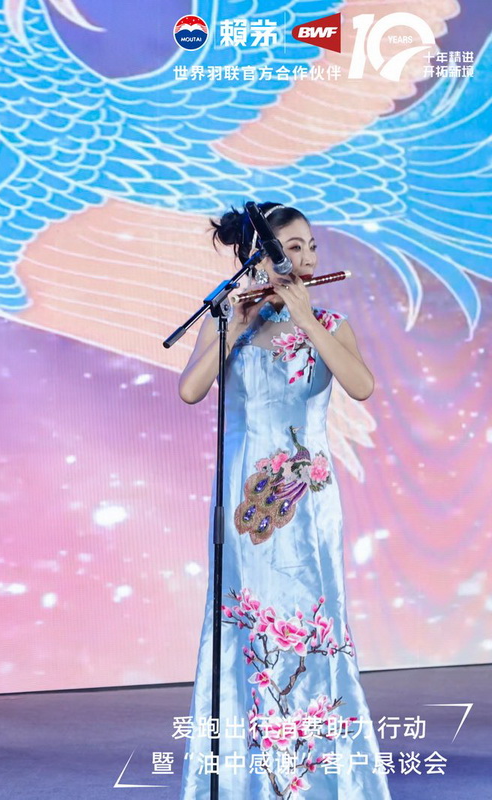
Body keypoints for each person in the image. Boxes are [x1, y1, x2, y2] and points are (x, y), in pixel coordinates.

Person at [176, 203, 388, 798]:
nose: (307, 258)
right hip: (244, 505)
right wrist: (235, 328)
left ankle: (317, 780)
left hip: (308, 504)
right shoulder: (228, 321)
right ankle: (245, 779)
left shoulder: (331, 321)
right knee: (244, 629)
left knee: (313, 627)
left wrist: (306, 320)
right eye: (292, 248)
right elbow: (191, 390)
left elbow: (362, 386)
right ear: (258, 257)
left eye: (310, 247)